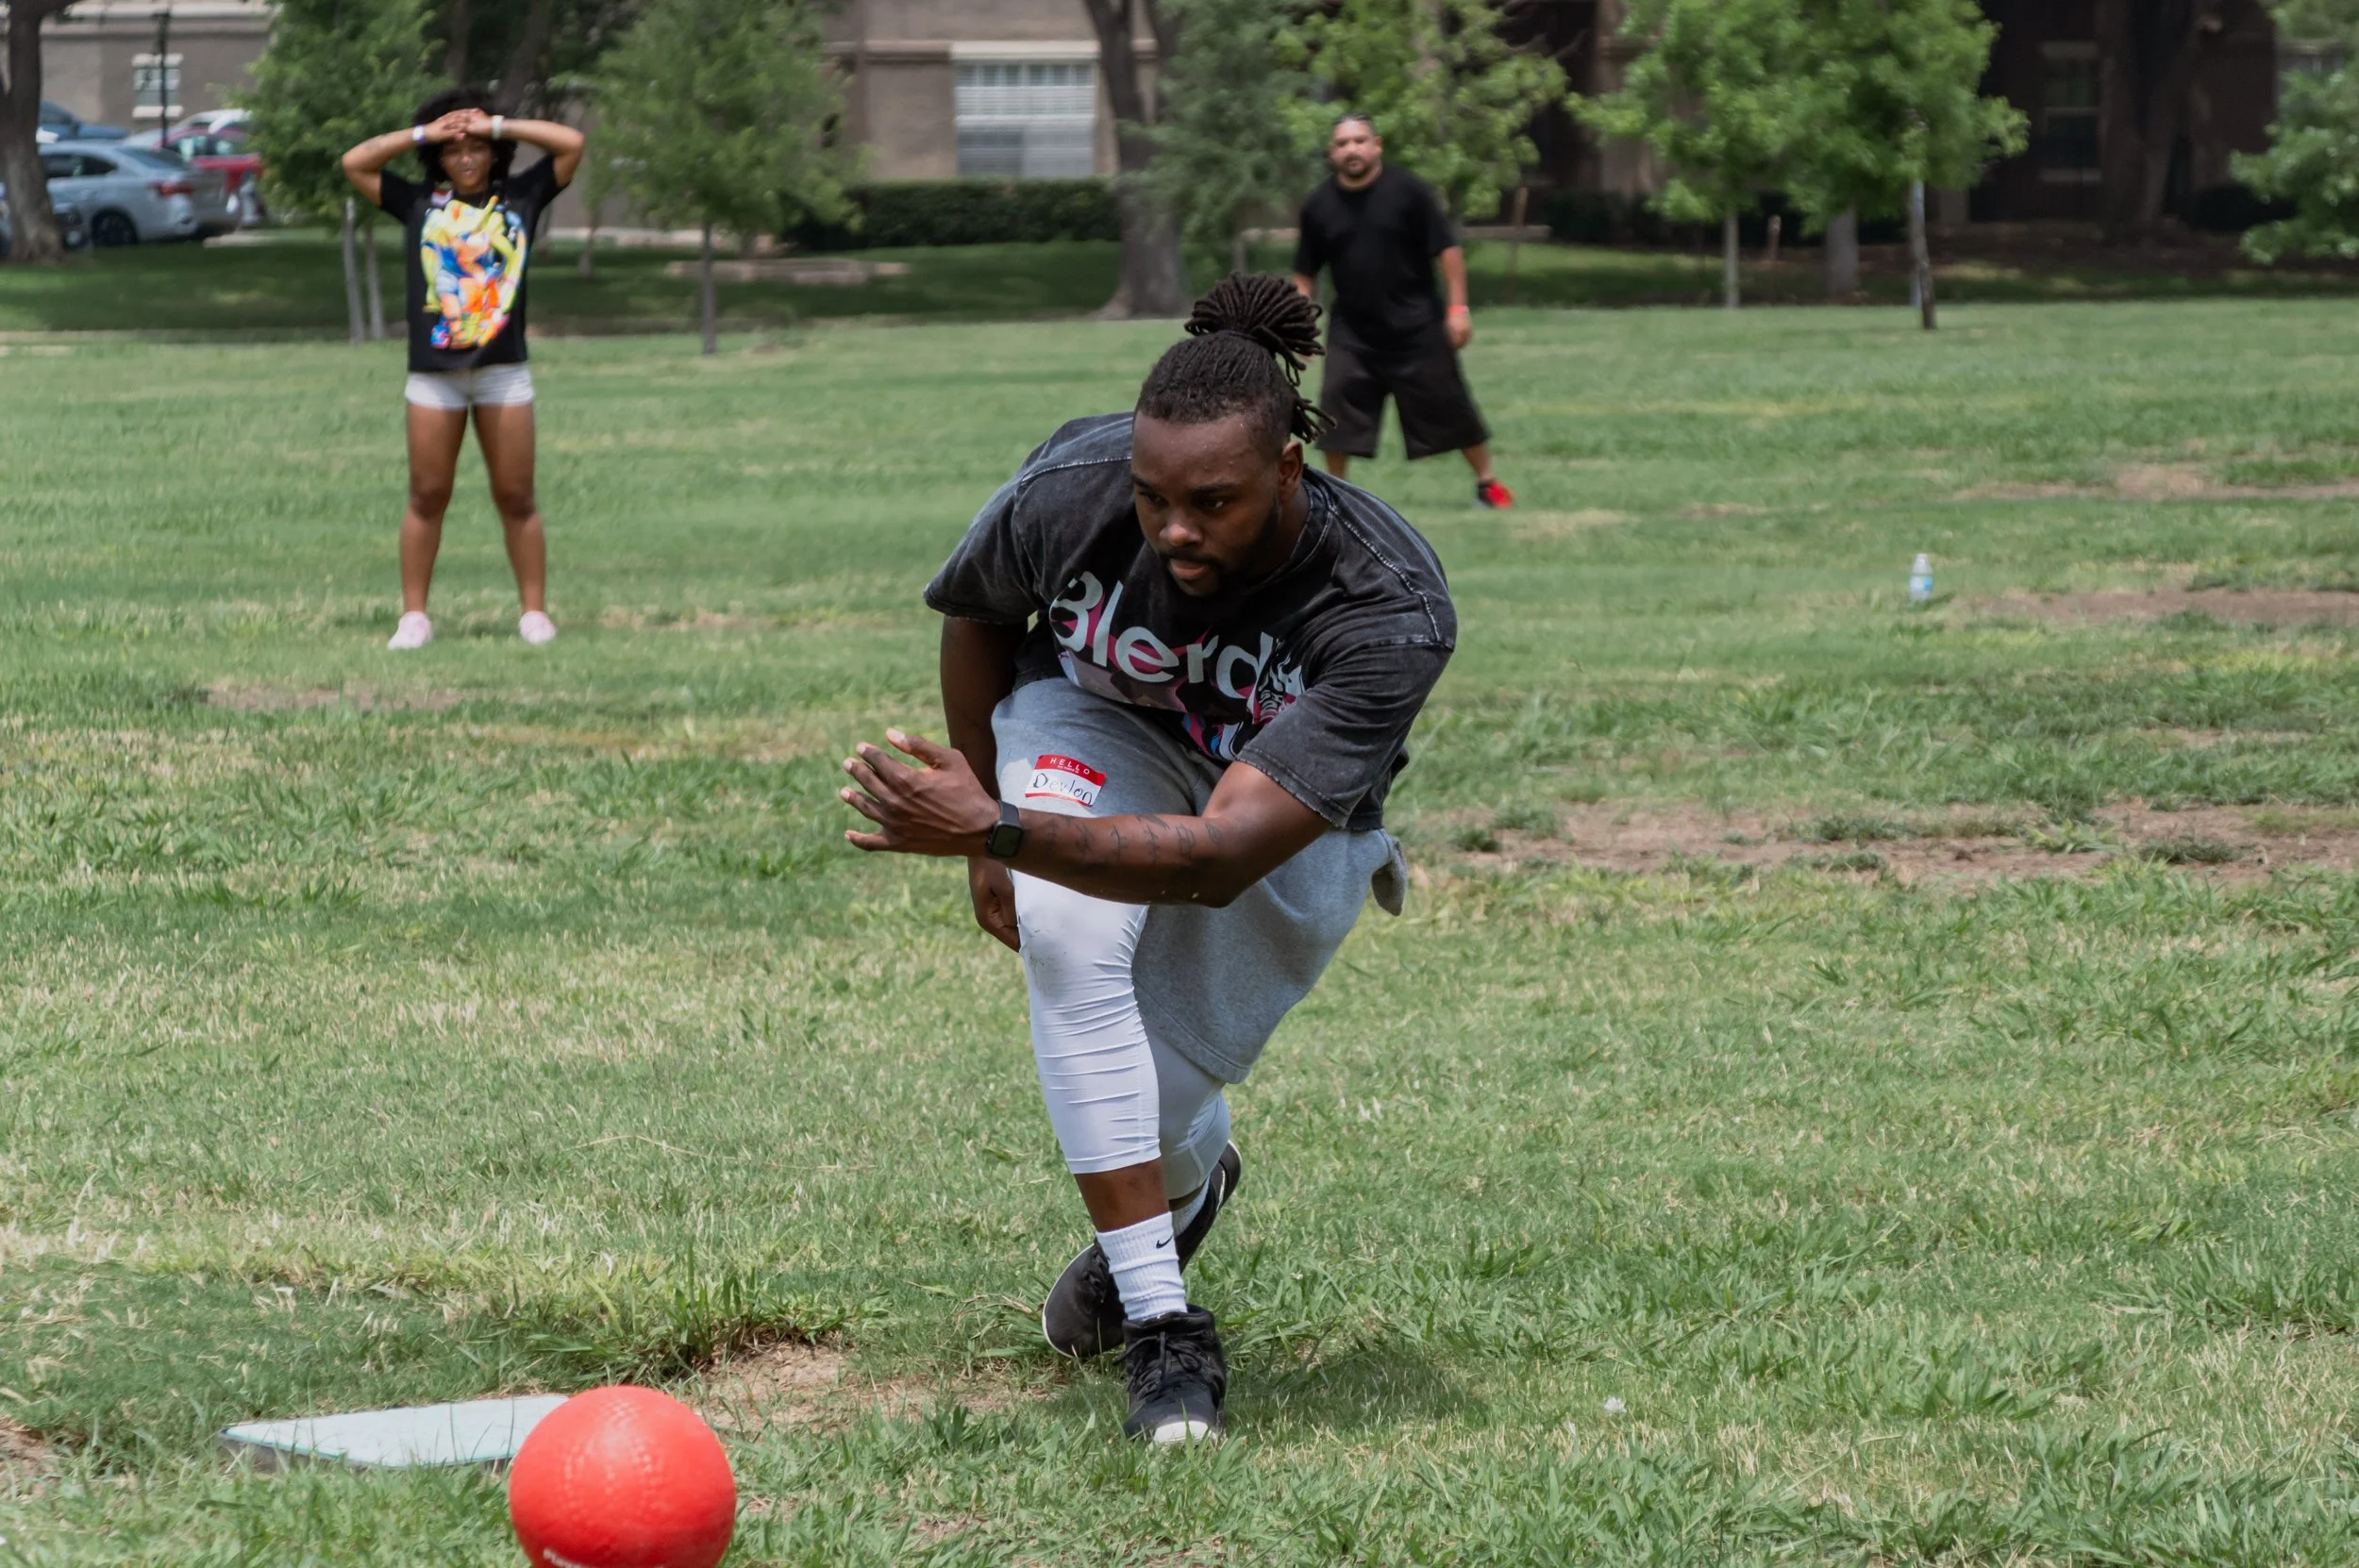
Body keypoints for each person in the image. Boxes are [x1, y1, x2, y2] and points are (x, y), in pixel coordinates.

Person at [835, 275, 1456, 1443]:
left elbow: (1221, 856)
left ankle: (1188, 1186)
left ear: (1289, 469)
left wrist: (995, 831)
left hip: (1269, 801)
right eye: (1154, 496)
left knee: (1161, 1101)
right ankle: (1168, 1334)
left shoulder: (1386, 605)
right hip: (1095, 722)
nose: (1174, 530)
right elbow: (978, 618)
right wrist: (989, 819)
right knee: (1068, 942)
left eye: (1212, 502)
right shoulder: (1069, 489)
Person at [340, 88, 585, 651]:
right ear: (440, 159)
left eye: (476, 148)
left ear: (494, 152)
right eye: (455, 150)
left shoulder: (523, 196)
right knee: (427, 495)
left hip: (502, 372)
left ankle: (534, 614)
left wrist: (497, 123)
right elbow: (356, 161)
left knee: (516, 496)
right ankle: (414, 618)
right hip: (434, 376)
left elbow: (572, 144)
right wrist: (427, 131)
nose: (467, 157)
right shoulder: (417, 202)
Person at [1291, 113, 1512, 509]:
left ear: (1377, 146)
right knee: (1337, 414)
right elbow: (1305, 274)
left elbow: (1447, 250)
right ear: (1331, 153)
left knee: (1453, 409)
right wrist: (1301, 327)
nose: (1351, 150)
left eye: (1359, 141)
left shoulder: (1408, 191)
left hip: (1417, 327)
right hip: (1353, 332)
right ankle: (1337, 498)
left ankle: (1489, 485)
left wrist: (1458, 308)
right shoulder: (1319, 206)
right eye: (1342, 144)